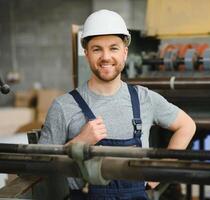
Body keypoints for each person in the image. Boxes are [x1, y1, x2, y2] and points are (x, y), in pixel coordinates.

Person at [38, 9, 196, 200]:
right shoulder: (64, 106)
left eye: (113, 48)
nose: (106, 57)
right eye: (97, 49)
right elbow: (40, 165)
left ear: (125, 52)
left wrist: (161, 170)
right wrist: (79, 142)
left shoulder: (144, 98)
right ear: (86, 53)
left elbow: (187, 125)